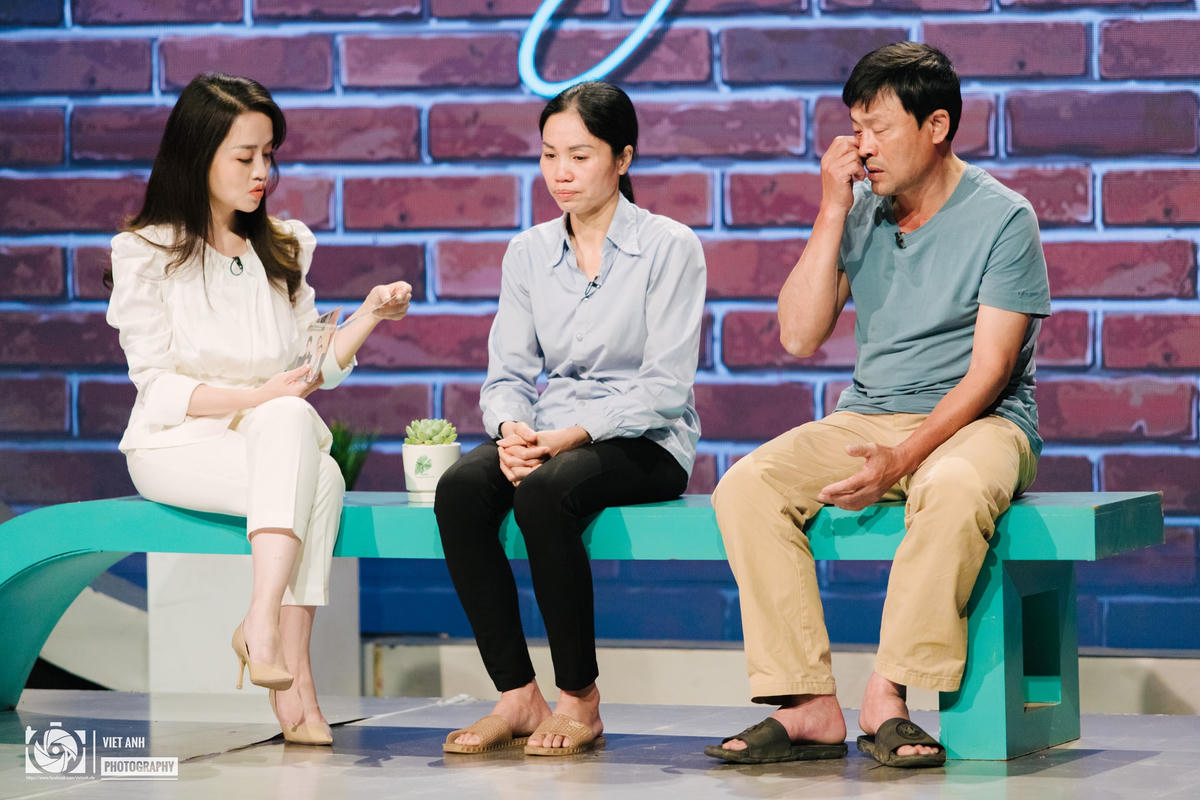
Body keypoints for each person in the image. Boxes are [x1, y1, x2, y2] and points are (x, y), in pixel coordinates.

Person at [705, 42, 1050, 769]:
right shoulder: (861, 210)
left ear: (937, 126)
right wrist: (832, 210)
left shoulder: (1004, 218)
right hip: (868, 414)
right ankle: (806, 701)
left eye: (879, 128)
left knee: (953, 486)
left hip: (980, 422)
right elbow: (798, 336)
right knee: (747, 486)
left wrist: (904, 456)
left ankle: (888, 694)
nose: (861, 146)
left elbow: (989, 373)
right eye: (855, 128)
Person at [105, 73, 412, 746]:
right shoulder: (146, 252)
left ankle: (269, 639)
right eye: (245, 157)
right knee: (301, 446)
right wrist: (257, 398)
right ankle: (281, 653)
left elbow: (310, 368)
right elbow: (156, 387)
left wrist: (367, 315)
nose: (262, 173)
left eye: (268, 155)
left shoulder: (283, 245)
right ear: (198, 155)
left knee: (313, 459)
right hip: (176, 442)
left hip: (270, 439)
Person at [434, 81, 706, 757]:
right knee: (460, 489)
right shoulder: (528, 252)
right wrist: (511, 432)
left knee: (547, 494)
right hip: (549, 432)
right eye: (550, 154)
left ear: (623, 158)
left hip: (647, 440)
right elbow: (507, 374)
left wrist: (570, 437)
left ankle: (580, 699)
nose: (561, 172)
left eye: (580, 156)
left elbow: (666, 387)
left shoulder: (670, 246)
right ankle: (517, 695)